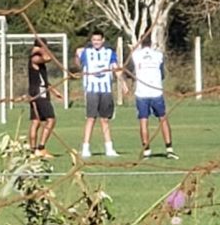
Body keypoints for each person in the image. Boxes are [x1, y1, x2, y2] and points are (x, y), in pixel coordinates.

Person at [75, 30, 127, 158]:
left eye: (98, 40)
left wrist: (123, 83)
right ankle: (86, 147)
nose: (96, 42)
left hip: (105, 89)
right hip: (92, 89)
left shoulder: (109, 53)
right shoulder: (87, 53)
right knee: (91, 118)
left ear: (103, 40)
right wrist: (76, 55)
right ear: (91, 41)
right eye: (94, 40)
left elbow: (116, 68)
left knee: (105, 119)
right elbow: (78, 64)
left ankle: (109, 148)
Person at [130, 38, 178, 159]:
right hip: (156, 92)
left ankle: (146, 151)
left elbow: (131, 72)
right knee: (163, 119)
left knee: (143, 121)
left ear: (140, 43)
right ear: (151, 43)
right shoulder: (158, 55)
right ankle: (169, 149)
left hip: (142, 93)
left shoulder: (135, 55)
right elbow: (162, 74)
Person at [28, 38, 62, 158]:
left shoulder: (37, 59)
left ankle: (33, 151)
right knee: (51, 119)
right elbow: (48, 58)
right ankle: (40, 148)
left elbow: (44, 80)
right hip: (39, 94)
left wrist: (54, 91)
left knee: (36, 121)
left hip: (38, 92)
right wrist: (41, 49)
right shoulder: (35, 58)